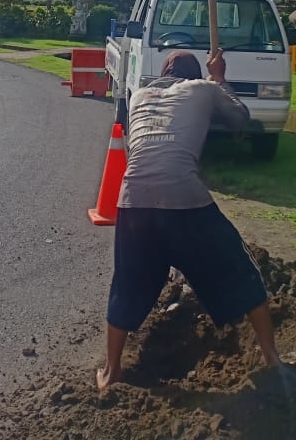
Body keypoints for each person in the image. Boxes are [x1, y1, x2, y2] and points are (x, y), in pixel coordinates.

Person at [97, 48, 283, 389]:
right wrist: (220, 79)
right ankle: (271, 357)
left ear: (165, 73)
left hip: (133, 201)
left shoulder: (139, 96)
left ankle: (111, 372)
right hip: (185, 200)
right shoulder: (202, 88)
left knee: (127, 284)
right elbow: (240, 118)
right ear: (193, 75)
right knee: (242, 270)